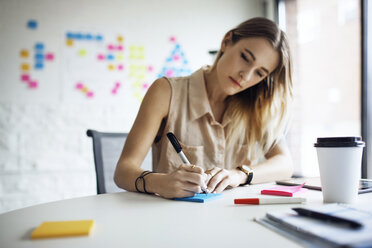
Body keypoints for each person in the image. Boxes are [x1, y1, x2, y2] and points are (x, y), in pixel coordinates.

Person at [114, 17, 293, 198]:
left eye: (259, 73)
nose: (245, 76)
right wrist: (160, 182)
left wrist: (239, 174)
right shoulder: (166, 92)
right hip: (174, 218)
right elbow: (123, 172)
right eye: (245, 58)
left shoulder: (256, 107)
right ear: (226, 42)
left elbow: (285, 164)